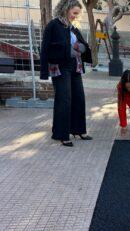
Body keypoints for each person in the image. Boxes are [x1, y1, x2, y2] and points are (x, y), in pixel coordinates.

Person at [40, 0, 92, 147]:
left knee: (79, 98)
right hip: (60, 66)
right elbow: (45, 48)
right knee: (64, 99)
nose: (76, 16)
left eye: (77, 14)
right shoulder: (53, 25)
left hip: (75, 66)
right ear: (65, 9)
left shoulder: (73, 28)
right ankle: (61, 134)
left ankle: (78, 130)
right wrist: (44, 72)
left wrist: (80, 48)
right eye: (74, 13)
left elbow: (83, 46)